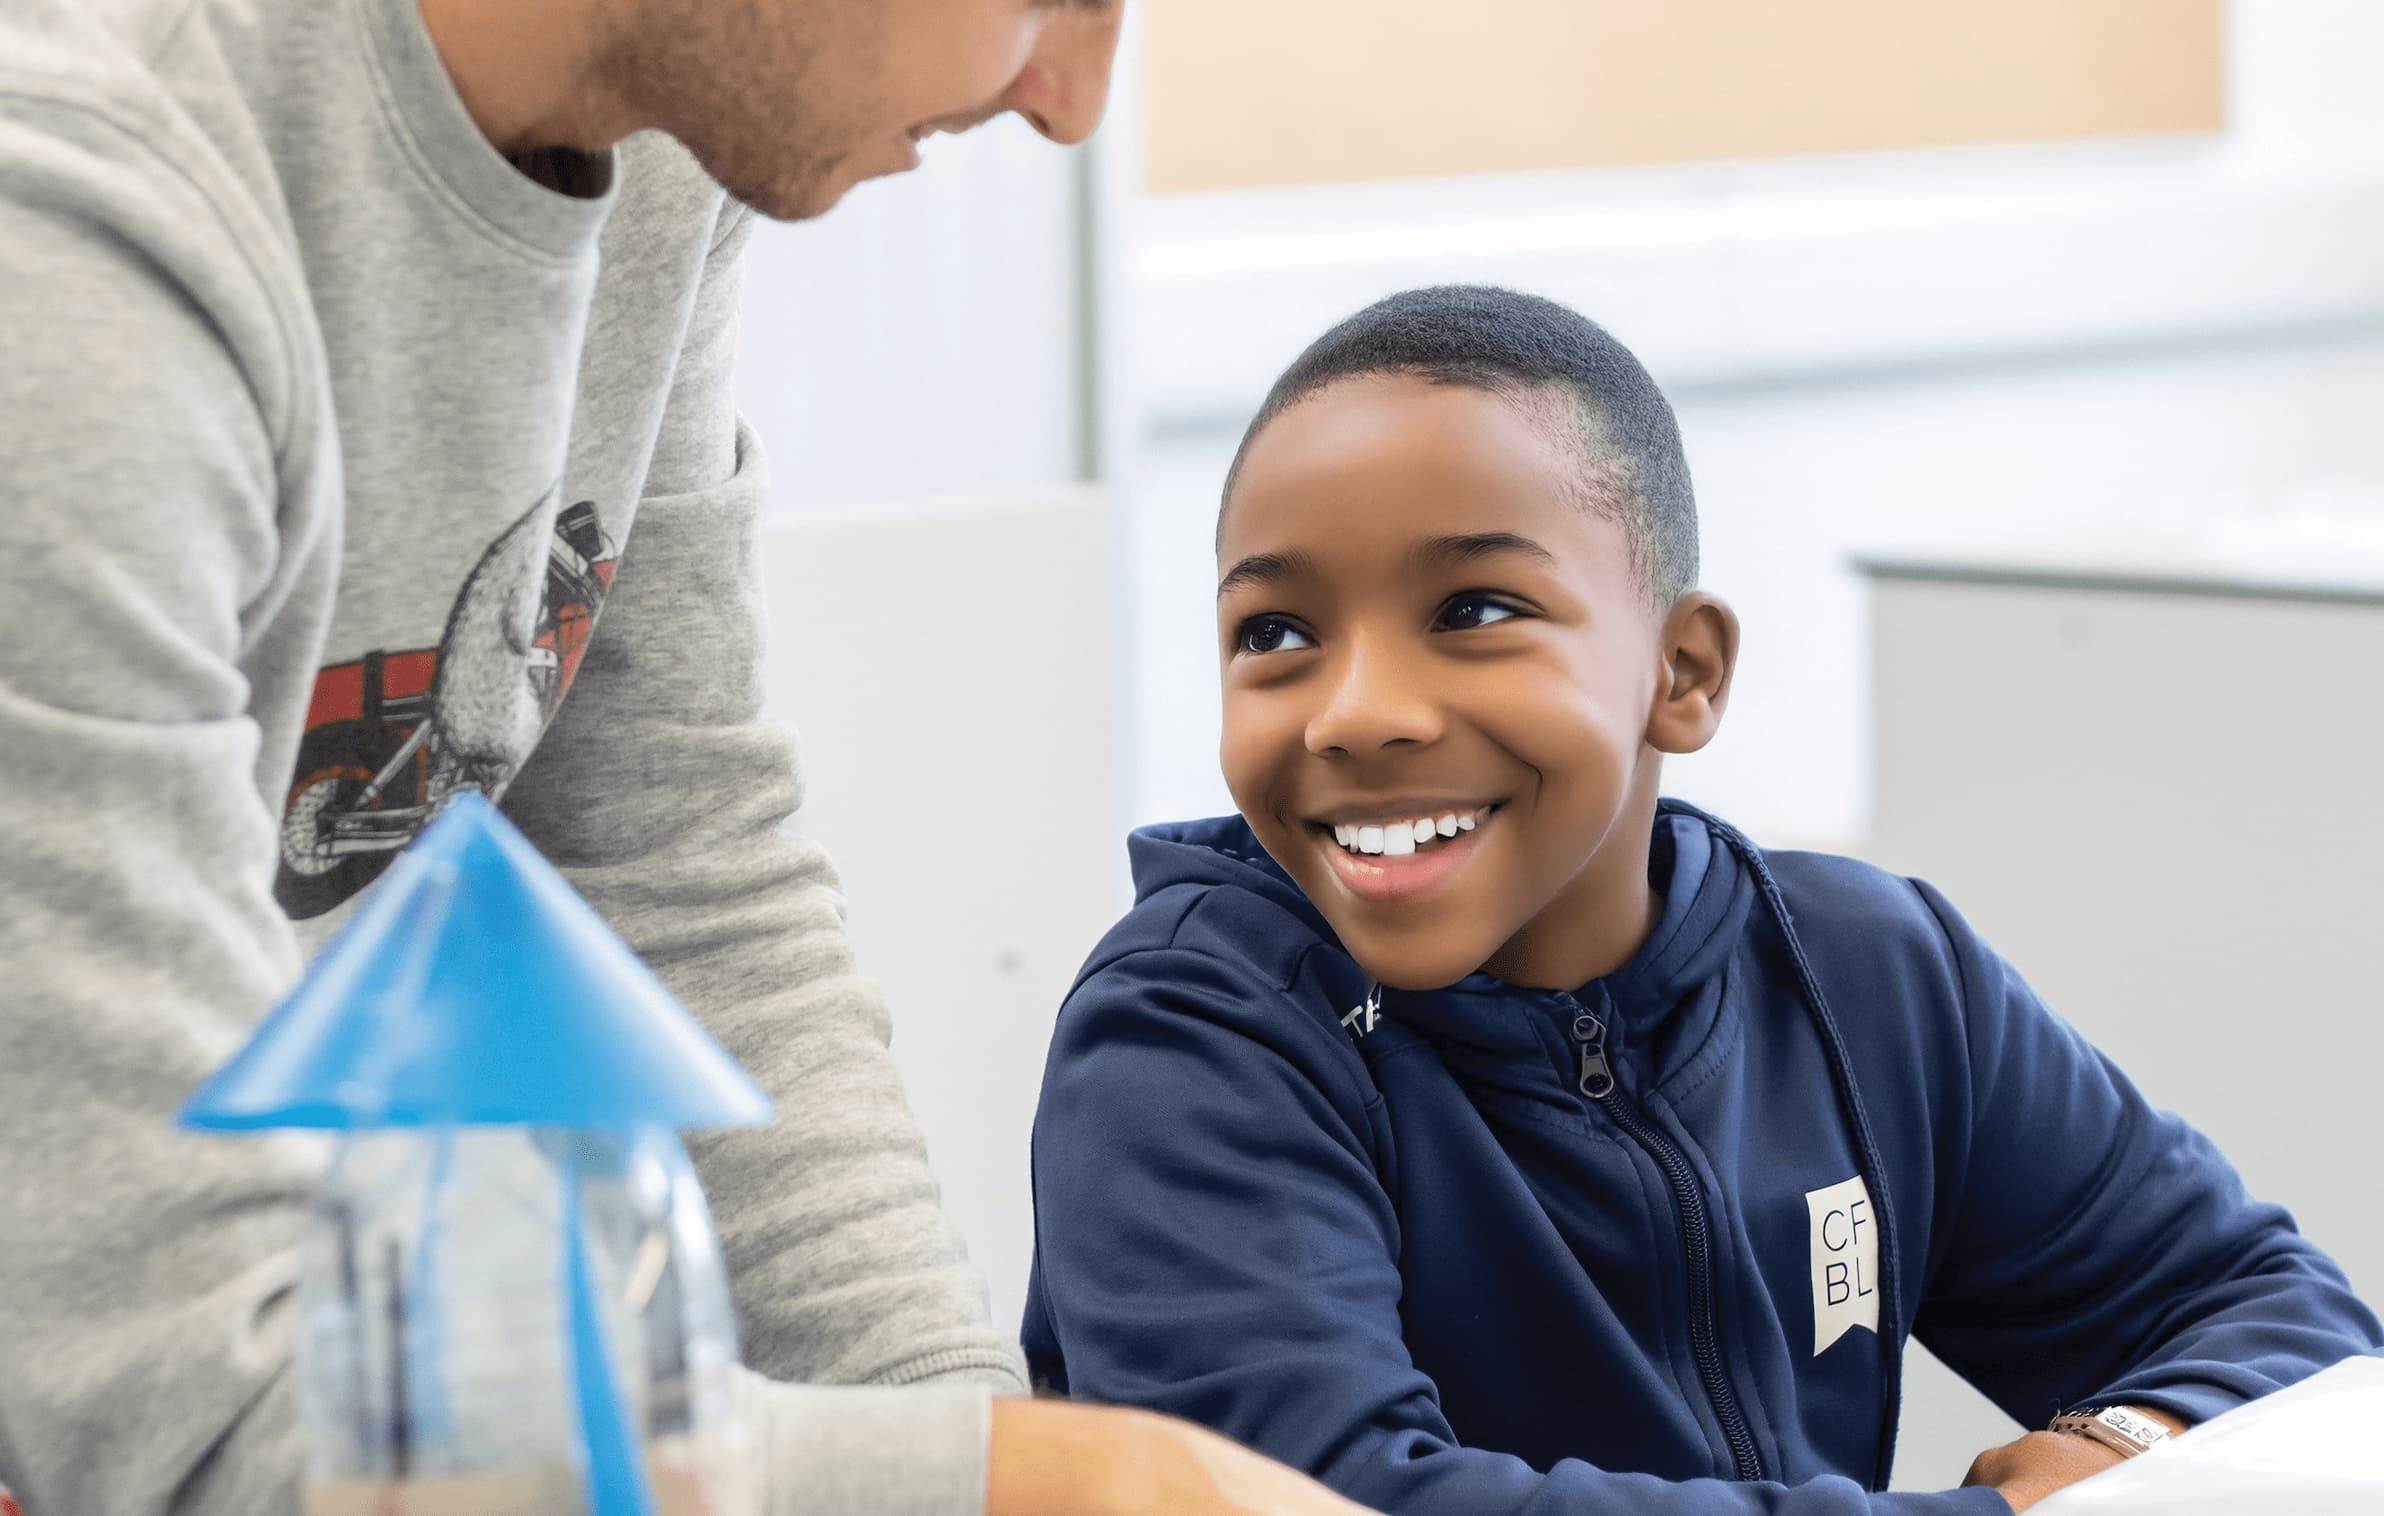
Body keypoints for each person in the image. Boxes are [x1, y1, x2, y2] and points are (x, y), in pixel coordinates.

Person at [0, 1, 1382, 1514]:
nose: (1069, 99)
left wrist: (951, 1414)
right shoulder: (64, 229)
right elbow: (196, 1406)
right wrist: (1043, 1483)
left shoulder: (657, 152)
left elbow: (673, 866)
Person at [1018, 284, 2384, 1514]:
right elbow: (1327, 1501)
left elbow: (2289, 1322)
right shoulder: (1191, 1033)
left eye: (1475, 611)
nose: (1357, 713)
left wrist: (2136, 1434)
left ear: (1684, 672)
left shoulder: (1873, 974)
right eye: (1278, 635)